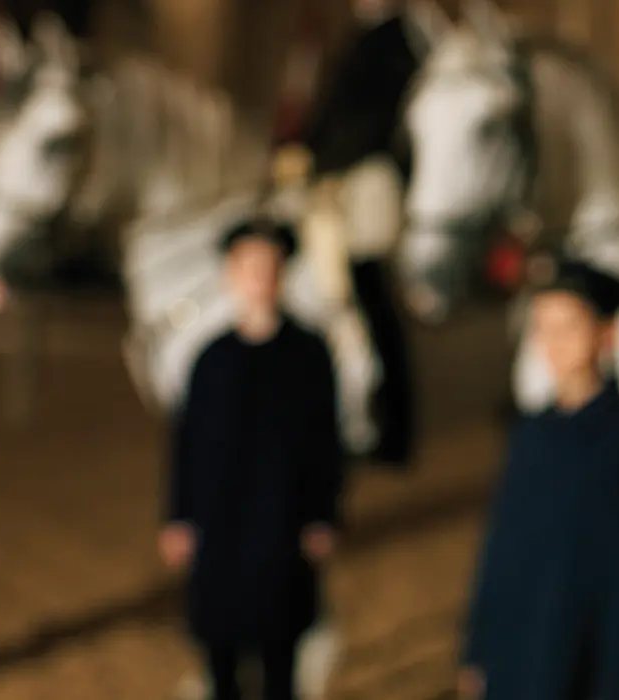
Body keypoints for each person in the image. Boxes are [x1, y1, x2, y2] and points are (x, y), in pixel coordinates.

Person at [458, 258, 619, 700]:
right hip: (518, 658)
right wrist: (477, 651)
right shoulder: (531, 434)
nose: (553, 343)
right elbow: (501, 547)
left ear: (607, 334)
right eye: (543, 329)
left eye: (568, 328)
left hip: (590, 663)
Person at [162, 218, 345, 700]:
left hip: (282, 531)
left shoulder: (309, 355)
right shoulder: (210, 358)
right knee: (220, 663)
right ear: (230, 274)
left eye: (269, 266)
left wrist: (323, 515)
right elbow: (185, 443)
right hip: (218, 533)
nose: (259, 278)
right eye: (248, 267)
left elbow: (327, 443)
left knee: (280, 665)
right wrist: (178, 516)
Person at [297, 0, 423, 470]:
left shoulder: (399, 40)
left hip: (365, 184)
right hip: (338, 182)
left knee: (368, 297)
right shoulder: (357, 36)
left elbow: (377, 119)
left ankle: (388, 421)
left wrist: (325, 158)